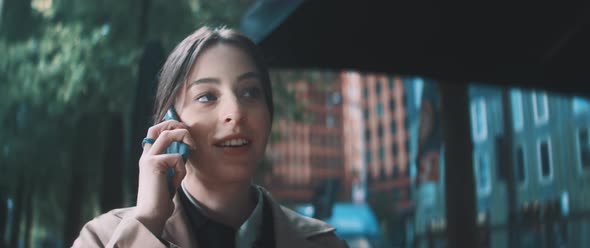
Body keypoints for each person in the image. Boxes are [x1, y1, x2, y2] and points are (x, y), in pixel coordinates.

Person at [72, 26, 347, 248]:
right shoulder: (102, 238)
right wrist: (147, 224)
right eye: (206, 96)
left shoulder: (325, 243)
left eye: (250, 92)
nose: (236, 113)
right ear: (170, 123)